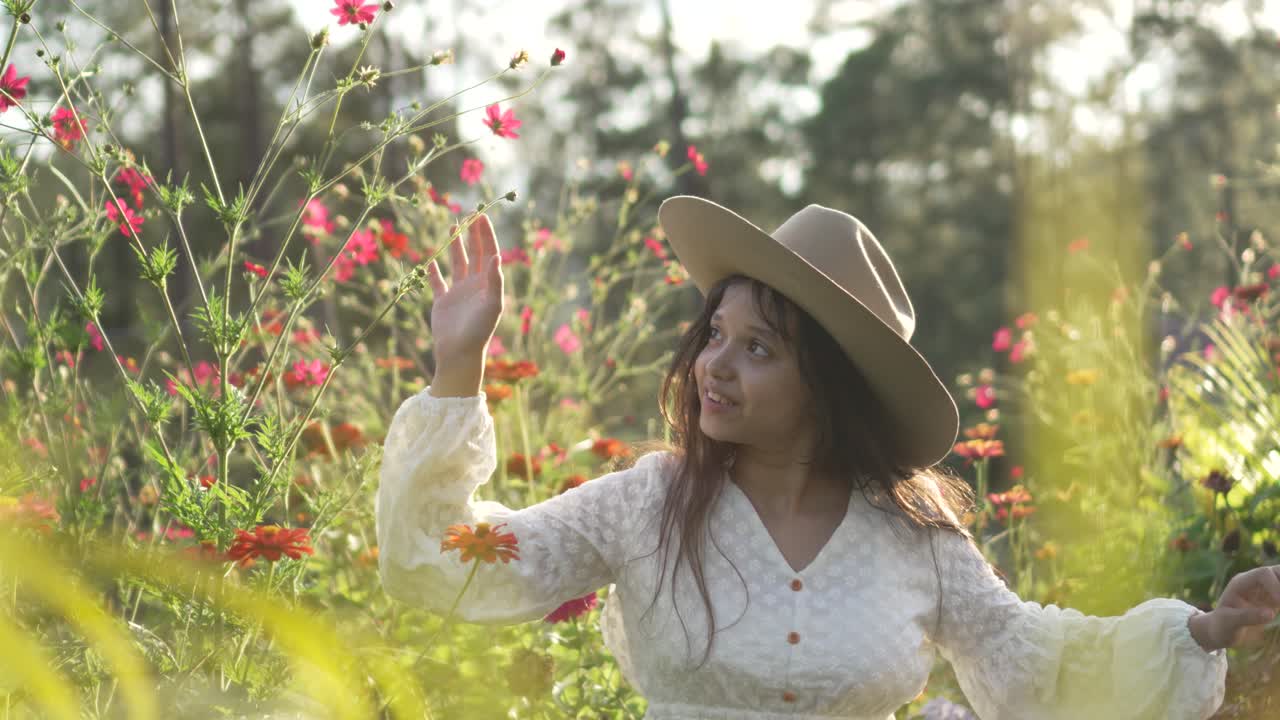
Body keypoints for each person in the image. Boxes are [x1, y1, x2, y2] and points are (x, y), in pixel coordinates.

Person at [377, 196, 1277, 719]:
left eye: (758, 350)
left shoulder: (912, 534)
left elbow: (1032, 658)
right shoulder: (649, 503)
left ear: (830, 385)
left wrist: (1200, 631)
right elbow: (445, 565)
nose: (711, 367)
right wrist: (460, 363)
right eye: (713, 335)